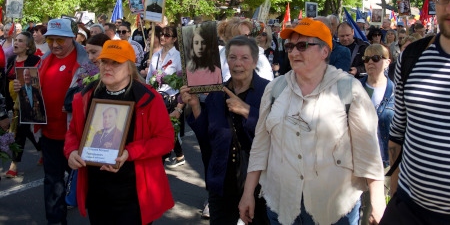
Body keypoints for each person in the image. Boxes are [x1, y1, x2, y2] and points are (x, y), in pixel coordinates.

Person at [239, 18, 385, 225]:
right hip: (282, 206)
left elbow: (368, 151)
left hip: (333, 209)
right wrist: (248, 193)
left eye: (302, 45)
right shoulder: (275, 89)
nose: (293, 52)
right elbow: (261, 145)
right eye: (290, 46)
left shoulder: (349, 89)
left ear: (325, 52)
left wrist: (378, 202)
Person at [64, 39, 174, 224]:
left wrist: (129, 152)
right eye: (105, 61)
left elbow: (165, 140)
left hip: (134, 194)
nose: (108, 67)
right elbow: (73, 133)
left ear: (130, 66)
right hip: (97, 192)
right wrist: (72, 151)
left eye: (116, 62)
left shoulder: (148, 98)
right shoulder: (85, 96)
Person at [380, 0, 450, 225]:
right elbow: (398, 131)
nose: (448, 7)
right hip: (409, 208)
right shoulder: (412, 58)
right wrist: (394, 191)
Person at [180, 36, 270, 224]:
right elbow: (207, 137)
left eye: (244, 58)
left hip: (260, 182)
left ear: (254, 62)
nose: (238, 63)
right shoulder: (216, 92)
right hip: (221, 180)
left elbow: (277, 134)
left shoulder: (268, 92)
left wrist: (247, 111)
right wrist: (196, 106)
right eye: (232, 57)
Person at [13, 18, 92, 224]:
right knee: (52, 181)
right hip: (49, 133)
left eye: (60, 40)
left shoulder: (87, 63)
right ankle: (56, 220)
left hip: (74, 137)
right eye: (50, 40)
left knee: (85, 182)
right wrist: (22, 90)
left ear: (73, 38)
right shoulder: (43, 59)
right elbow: (34, 92)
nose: (55, 45)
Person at [359, 44, 394, 225]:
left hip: (384, 162)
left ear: (387, 62)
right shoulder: (354, 88)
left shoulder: (396, 92)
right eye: (366, 58)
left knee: (373, 213)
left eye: (375, 58)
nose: (370, 62)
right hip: (356, 160)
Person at [145, 26, 185, 167]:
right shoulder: (155, 55)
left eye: (167, 35)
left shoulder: (178, 57)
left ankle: (170, 157)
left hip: (171, 99)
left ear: (174, 39)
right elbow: (149, 78)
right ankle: (161, 158)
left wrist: (179, 108)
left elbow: (183, 84)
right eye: (162, 34)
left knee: (169, 131)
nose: (163, 37)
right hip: (156, 99)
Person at [5, 32, 42, 179]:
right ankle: (42, 150)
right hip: (13, 102)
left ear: (28, 46)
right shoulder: (12, 59)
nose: (15, 43)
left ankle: (14, 164)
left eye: (20, 41)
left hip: (28, 101)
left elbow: (37, 82)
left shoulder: (35, 60)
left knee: (20, 130)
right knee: (26, 130)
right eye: (15, 40)